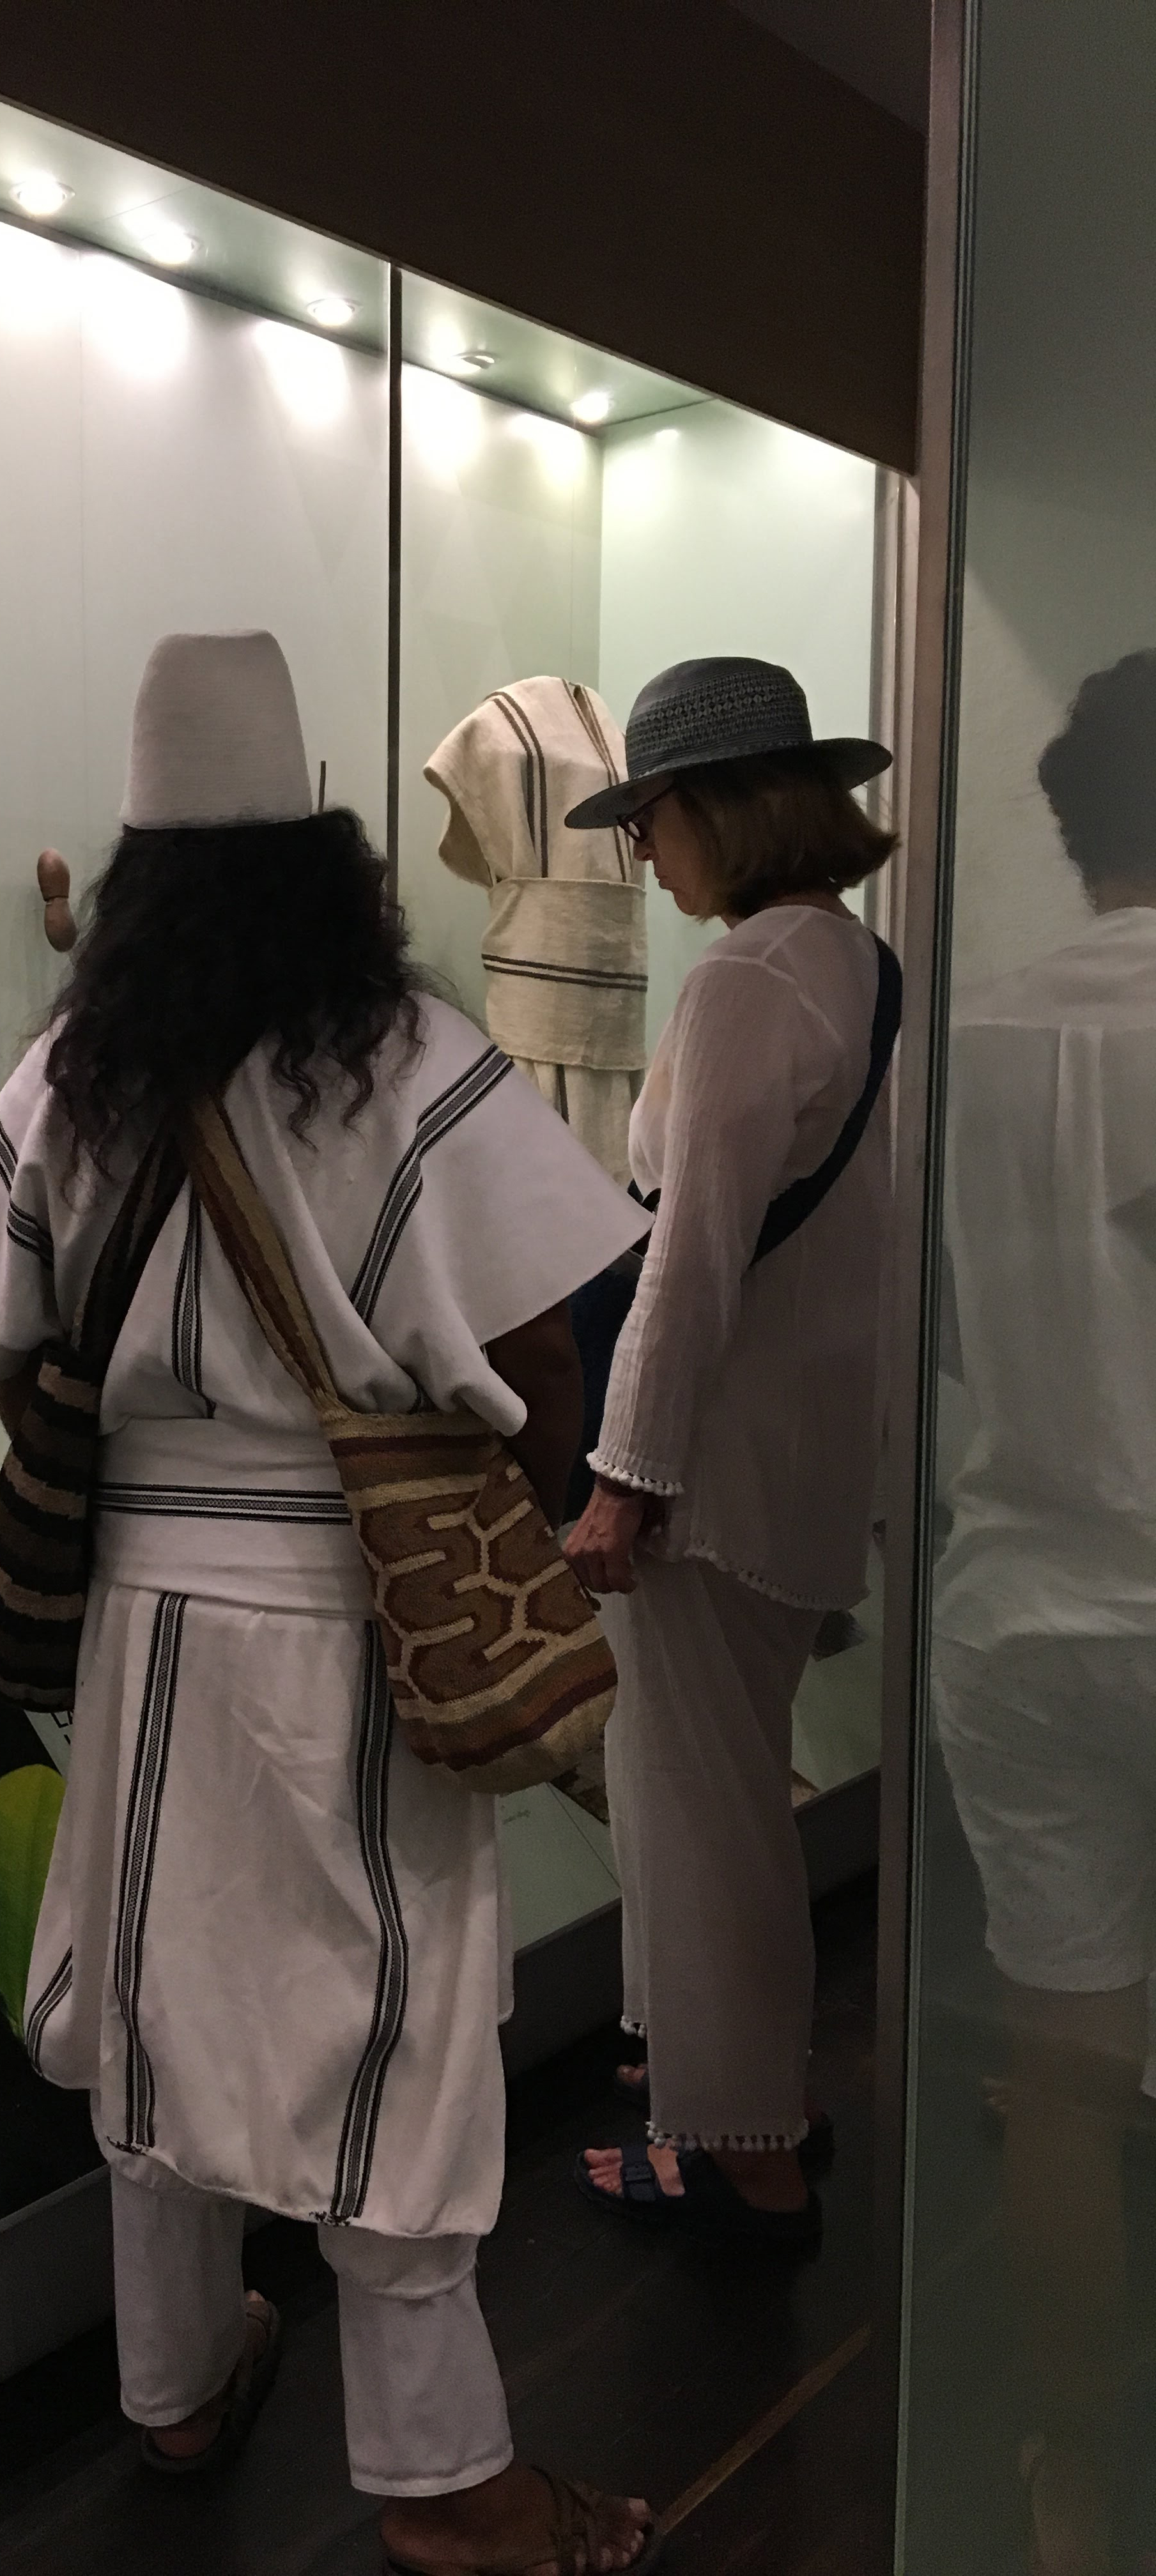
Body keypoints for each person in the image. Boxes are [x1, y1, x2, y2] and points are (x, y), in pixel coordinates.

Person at [0, 631, 659, 2574]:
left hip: (138, 1625)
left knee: (160, 2002)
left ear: (138, 862)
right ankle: (445, 2489)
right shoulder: (410, 1058)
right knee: (388, 2019)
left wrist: (134, 1463)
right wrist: (518, 1513)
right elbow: (550, 1344)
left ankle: (171, 2392)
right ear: (330, 848)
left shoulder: (75, 1070)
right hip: (363, 1616)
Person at [560, 657, 897, 2250]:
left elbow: (688, 1263)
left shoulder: (744, 984)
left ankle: (744, 2154)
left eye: (654, 817)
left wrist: (625, 1479)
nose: (648, 853)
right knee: (730, 1805)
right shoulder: (859, 967)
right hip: (803, 1464)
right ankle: (744, 2099)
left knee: (700, 1827)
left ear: (715, 809)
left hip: (715, 1476)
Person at [930, 650, 1156, 2575]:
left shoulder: (981, 1039)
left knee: (1063, 2089)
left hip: (1020, 1617)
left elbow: (947, 1345)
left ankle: (1073, 2497)